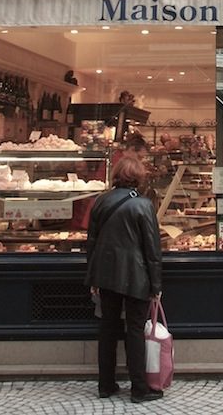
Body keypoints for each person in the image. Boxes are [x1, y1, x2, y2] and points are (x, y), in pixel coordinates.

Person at [86, 153, 163, 402]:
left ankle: (105, 384)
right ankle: (139, 388)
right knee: (135, 330)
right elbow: (152, 249)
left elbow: (92, 242)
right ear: (138, 178)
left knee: (108, 327)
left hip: (106, 274)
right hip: (136, 275)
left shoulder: (100, 201)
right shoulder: (143, 205)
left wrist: (93, 277)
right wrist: (156, 284)